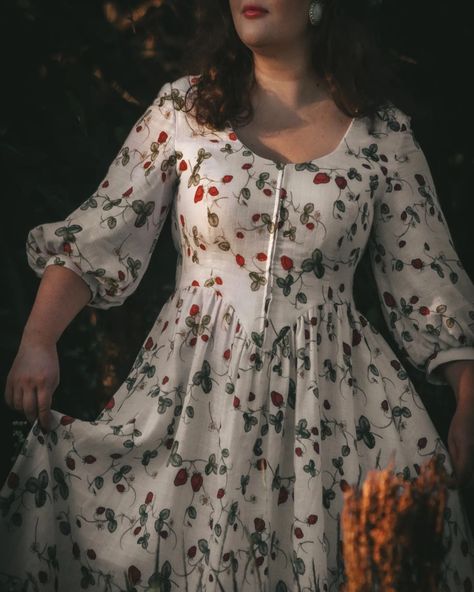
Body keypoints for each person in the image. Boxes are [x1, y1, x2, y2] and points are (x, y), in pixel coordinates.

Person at [1, 0, 474, 590]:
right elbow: (102, 229)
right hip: (195, 396)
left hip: (339, 408)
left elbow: (427, 276)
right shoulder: (184, 109)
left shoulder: (385, 134)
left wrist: (467, 394)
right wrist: (38, 339)